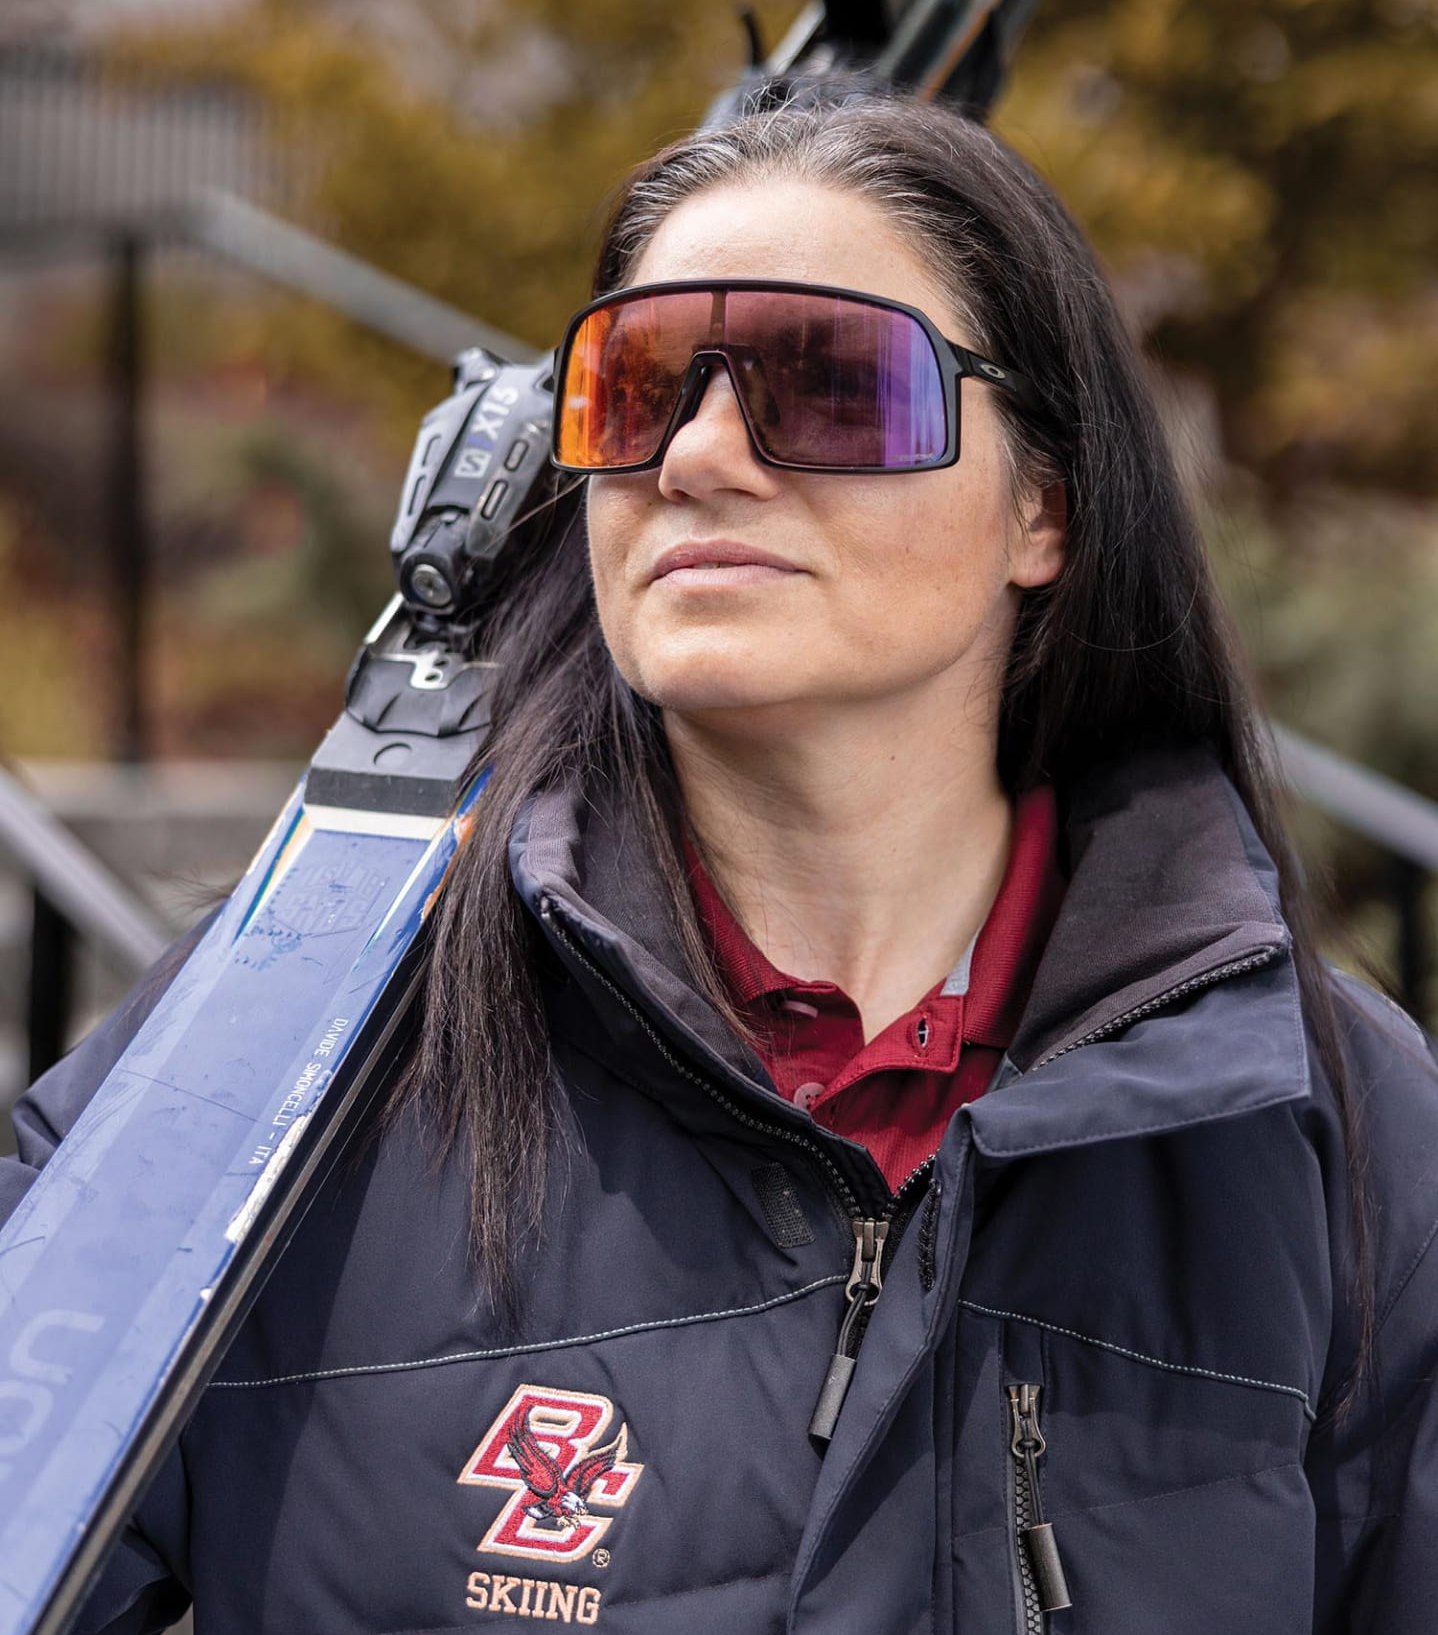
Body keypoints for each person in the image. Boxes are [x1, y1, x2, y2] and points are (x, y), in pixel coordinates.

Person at [7, 95, 1438, 1635]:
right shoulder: (288, 1037)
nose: (696, 455)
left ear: (1044, 506)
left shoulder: (1327, 1132)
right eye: (631, 388)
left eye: (826, 385)